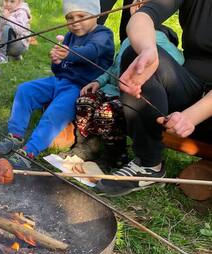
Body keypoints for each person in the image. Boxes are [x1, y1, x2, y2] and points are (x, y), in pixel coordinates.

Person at [96, 0, 212, 196]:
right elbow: (143, 16)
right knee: (137, 56)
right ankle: (149, 163)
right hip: (190, 87)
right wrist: (147, 50)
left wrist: (192, 116)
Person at [0, 0, 114, 169]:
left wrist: (69, 53)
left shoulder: (103, 34)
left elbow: (92, 51)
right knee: (25, 90)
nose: (75, 22)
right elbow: (59, 69)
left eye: (81, 16)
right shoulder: (71, 36)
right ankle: (15, 135)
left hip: (78, 87)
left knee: (55, 113)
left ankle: (30, 151)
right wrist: (56, 61)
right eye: (70, 18)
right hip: (59, 81)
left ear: (96, 15)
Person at [63, 0, 184, 171]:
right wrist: (98, 81)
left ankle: (115, 155)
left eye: (144, 4)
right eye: (136, 3)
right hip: (111, 89)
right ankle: (87, 146)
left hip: (130, 93)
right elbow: (114, 67)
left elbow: (176, 64)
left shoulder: (161, 39)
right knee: (85, 101)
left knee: (107, 111)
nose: (137, 6)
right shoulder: (128, 40)